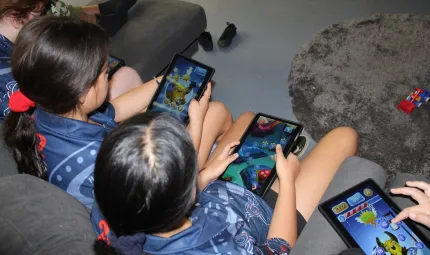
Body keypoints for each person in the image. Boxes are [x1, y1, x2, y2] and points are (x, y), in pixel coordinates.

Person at [3, 16, 233, 210]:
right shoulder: (98, 160)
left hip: (131, 183)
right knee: (215, 112)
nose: (110, 77)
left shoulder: (47, 111)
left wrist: (164, 82)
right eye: (105, 73)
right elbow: (170, 192)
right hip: (164, 197)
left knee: (213, 113)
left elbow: (115, 109)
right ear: (82, 91)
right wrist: (197, 121)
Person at [91, 111, 358, 254]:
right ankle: (285, 170)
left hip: (221, 193)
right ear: (184, 194)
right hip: (268, 216)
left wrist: (205, 177)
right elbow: (280, 248)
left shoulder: (115, 207)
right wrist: (287, 182)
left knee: (247, 118)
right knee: (345, 136)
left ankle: (280, 167)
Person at [0, 0, 142, 122]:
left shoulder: (12, 48)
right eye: (37, 15)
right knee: (127, 77)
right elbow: (53, 119)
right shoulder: (7, 77)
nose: (41, 20)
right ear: (15, 19)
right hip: (53, 132)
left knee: (125, 76)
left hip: (55, 117)